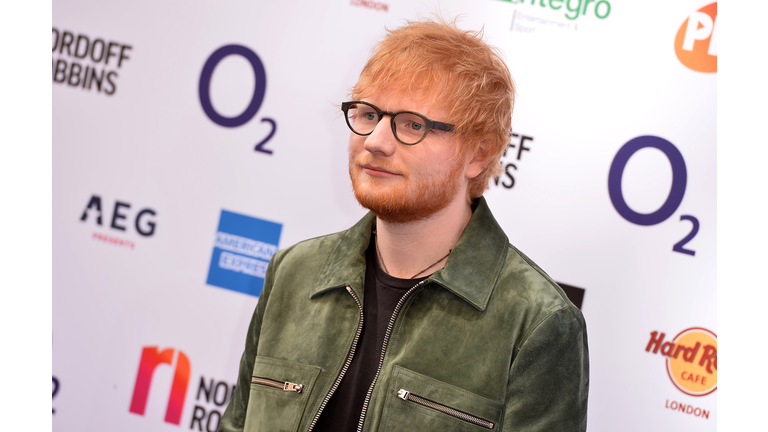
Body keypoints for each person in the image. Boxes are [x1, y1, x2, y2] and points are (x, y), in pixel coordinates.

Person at [218, 18, 588, 432]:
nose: (375, 140)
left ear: (479, 153)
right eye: (368, 113)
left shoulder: (537, 321)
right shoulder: (293, 272)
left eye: (412, 124)